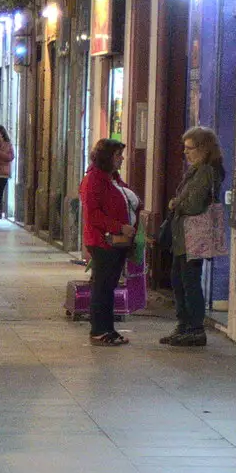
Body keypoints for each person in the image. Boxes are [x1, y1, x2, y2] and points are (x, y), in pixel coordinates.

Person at [161, 125, 226, 348]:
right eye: (185, 148)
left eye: (190, 148)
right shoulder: (195, 171)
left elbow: (195, 204)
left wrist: (175, 203)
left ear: (204, 149)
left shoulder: (207, 171)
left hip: (193, 236)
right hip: (183, 236)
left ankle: (195, 329)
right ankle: (183, 325)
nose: (186, 153)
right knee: (178, 281)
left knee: (189, 283)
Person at [80, 138, 135, 346]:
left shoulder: (112, 178)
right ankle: (99, 330)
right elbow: (93, 214)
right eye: (118, 155)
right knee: (102, 287)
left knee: (109, 286)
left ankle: (108, 329)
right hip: (103, 241)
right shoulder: (93, 180)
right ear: (107, 157)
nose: (121, 159)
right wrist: (119, 227)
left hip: (117, 242)